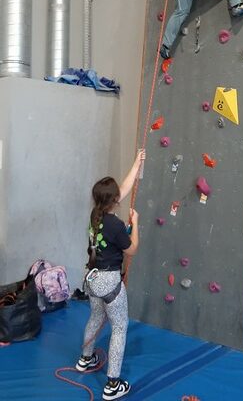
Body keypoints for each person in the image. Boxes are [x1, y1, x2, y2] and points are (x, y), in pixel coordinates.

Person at [75, 149, 145, 400]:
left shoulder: (95, 216)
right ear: (114, 200)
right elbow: (132, 250)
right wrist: (135, 224)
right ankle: (112, 384)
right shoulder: (116, 225)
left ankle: (85, 359)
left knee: (95, 318)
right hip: (110, 282)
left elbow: (122, 189)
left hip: (92, 279)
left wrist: (136, 162)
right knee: (119, 327)